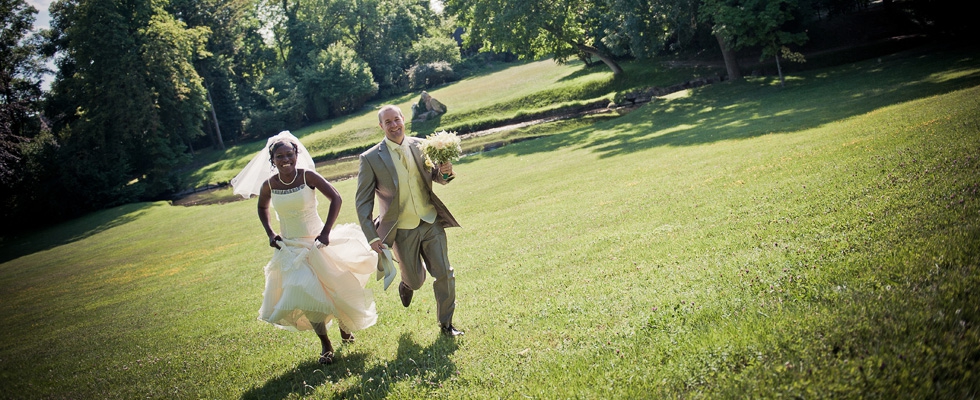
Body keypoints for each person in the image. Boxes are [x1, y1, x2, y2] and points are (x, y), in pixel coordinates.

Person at [231, 131, 379, 364]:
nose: (285, 159)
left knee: (333, 288)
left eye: (289, 154)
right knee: (305, 292)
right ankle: (325, 344)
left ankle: (343, 325)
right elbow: (262, 208)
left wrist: (326, 232)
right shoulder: (269, 185)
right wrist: (270, 233)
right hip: (290, 248)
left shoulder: (307, 176)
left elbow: (336, 198)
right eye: (280, 156)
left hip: (317, 242)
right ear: (273, 160)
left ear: (296, 154)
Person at [355, 105, 464, 337]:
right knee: (415, 281)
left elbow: (438, 176)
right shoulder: (370, 158)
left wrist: (445, 171)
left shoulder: (421, 146)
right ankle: (407, 284)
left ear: (403, 119)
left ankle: (446, 325)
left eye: (397, 120)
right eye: (388, 122)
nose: (394, 125)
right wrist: (372, 236)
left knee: (444, 273)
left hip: (430, 221)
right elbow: (362, 203)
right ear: (381, 126)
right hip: (401, 230)